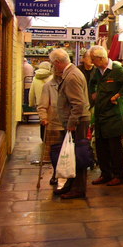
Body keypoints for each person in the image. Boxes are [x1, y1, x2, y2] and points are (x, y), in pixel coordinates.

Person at [88, 45, 123, 187]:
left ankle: (118, 175)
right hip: (100, 114)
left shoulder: (116, 69)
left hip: (113, 114)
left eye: (93, 59)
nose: (91, 62)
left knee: (114, 147)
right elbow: (92, 83)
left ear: (100, 58)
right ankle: (105, 174)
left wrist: (118, 95)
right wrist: (93, 93)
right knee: (101, 146)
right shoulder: (98, 71)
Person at [49, 48, 91, 199]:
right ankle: (70, 185)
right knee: (71, 154)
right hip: (76, 120)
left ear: (58, 63)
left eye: (53, 65)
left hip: (78, 121)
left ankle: (78, 188)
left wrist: (72, 122)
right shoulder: (71, 73)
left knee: (78, 154)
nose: (53, 68)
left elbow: (78, 104)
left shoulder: (72, 76)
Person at [37, 74, 65, 185]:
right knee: (55, 150)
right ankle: (55, 172)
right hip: (54, 123)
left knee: (68, 150)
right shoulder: (48, 86)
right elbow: (42, 105)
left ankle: (68, 172)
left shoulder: (71, 83)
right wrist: (44, 117)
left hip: (69, 122)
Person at [29, 61, 53, 143]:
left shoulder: (35, 78)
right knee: (49, 121)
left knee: (42, 119)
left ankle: (42, 137)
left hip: (39, 103)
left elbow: (31, 92)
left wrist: (31, 103)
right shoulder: (52, 77)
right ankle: (49, 137)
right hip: (50, 103)